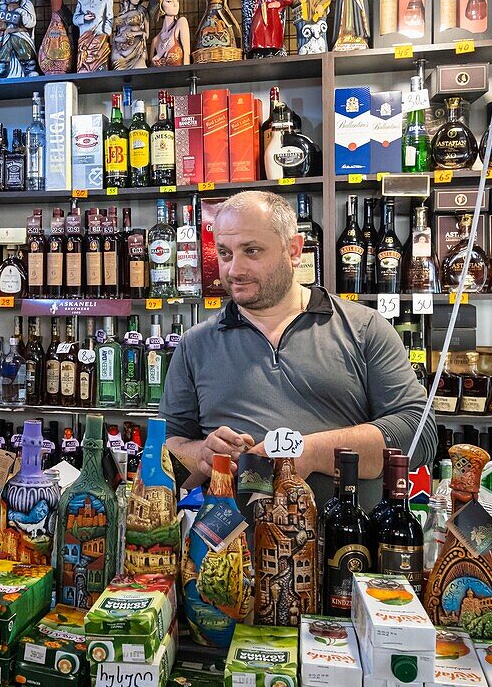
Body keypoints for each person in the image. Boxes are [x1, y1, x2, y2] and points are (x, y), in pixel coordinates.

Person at [160, 191, 436, 508]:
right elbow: (166, 450)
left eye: (251, 251)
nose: (234, 269)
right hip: (229, 553)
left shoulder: (364, 328)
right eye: (224, 253)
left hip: (343, 548)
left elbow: (420, 434)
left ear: (293, 250)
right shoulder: (196, 343)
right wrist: (201, 455)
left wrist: (310, 452)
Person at [72, 0, 114, 72]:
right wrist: (84, 18)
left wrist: (105, 35)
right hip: (84, 40)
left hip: (100, 39)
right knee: (83, 67)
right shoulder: (82, 1)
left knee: (100, 67)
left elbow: (109, 19)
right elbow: (75, 20)